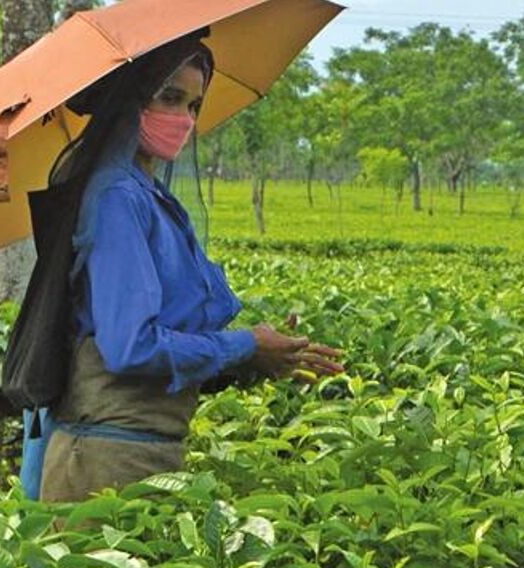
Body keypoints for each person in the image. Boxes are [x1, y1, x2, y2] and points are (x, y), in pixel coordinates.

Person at [36, 35, 343, 503]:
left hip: (144, 454)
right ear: (129, 99)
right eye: (170, 98)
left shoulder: (146, 194)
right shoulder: (118, 197)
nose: (184, 119)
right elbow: (130, 347)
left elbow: (170, 336)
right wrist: (244, 345)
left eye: (194, 105)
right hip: (104, 462)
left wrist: (257, 355)